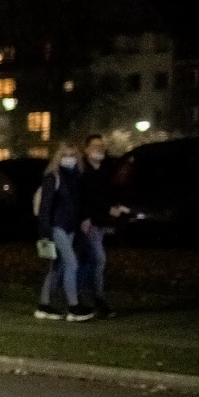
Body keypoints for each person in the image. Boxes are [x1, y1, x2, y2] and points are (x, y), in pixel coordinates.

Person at [35, 142, 92, 321]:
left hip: (70, 227)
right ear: (58, 157)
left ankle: (44, 305)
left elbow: (78, 203)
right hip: (57, 226)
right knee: (71, 264)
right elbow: (45, 207)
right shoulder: (53, 177)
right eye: (65, 155)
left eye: (72, 155)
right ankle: (74, 307)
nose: (70, 159)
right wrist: (45, 232)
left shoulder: (76, 177)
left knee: (56, 267)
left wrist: (82, 220)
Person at [78, 134, 115, 318]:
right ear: (86, 149)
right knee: (98, 260)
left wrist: (110, 214)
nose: (99, 149)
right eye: (94, 146)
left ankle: (85, 299)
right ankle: (96, 299)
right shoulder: (83, 172)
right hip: (88, 224)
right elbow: (81, 198)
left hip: (99, 222)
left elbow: (104, 198)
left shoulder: (103, 172)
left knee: (91, 263)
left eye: (101, 146)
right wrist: (85, 217)